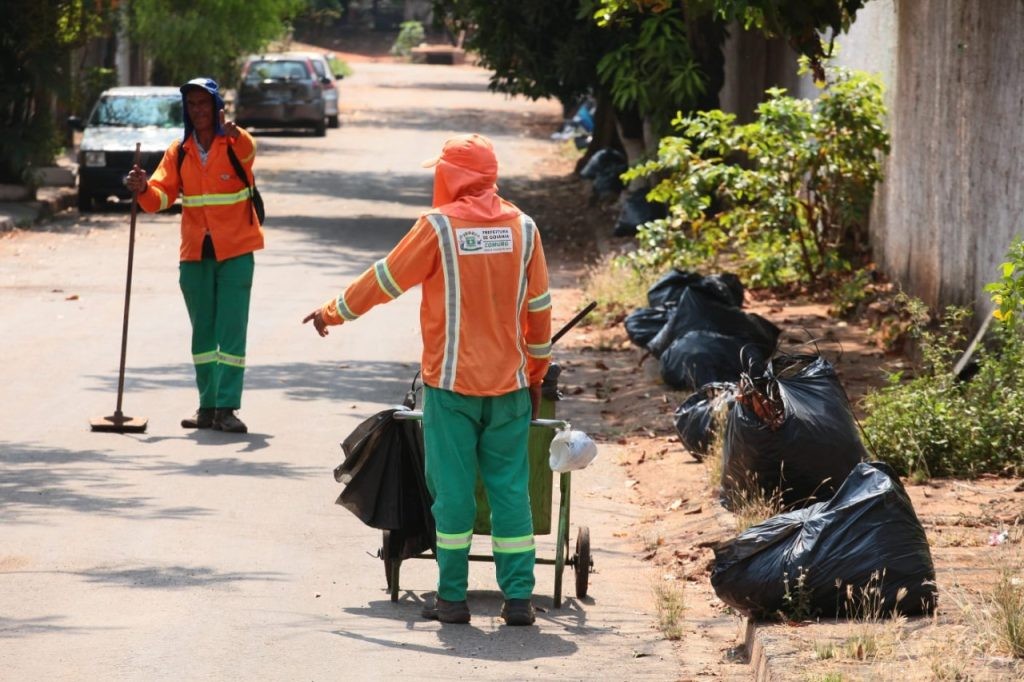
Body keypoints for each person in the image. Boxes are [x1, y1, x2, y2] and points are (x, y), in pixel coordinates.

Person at [304, 133, 552, 626]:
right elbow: (539, 312)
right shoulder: (524, 229)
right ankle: (519, 599)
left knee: (455, 493)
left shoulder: (437, 229)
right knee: (510, 492)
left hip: (452, 390)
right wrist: (535, 374)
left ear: (452, 176)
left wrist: (333, 312)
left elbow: (385, 279)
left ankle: (453, 598)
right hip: (509, 388)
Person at [125, 77, 263, 434]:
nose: (199, 110)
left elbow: (249, 149)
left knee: (230, 331)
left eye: (205, 104)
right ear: (187, 110)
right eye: (193, 105)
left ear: (218, 107)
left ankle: (227, 407)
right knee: (203, 333)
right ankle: (207, 406)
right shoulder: (180, 151)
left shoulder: (234, 144)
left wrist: (235, 132)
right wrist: (143, 189)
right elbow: (161, 197)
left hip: (236, 250)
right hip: (195, 254)